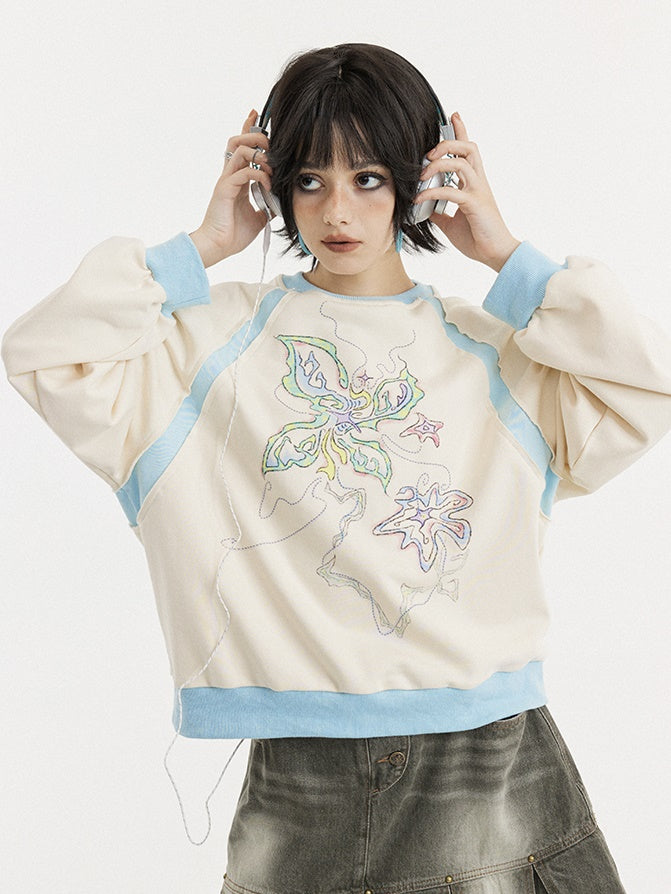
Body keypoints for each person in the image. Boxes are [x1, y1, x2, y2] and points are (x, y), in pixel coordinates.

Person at [3, 42, 671, 894]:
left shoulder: (497, 354)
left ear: (420, 181)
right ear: (273, 185)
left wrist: (508, 256)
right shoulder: (204, 345)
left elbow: (645, 383)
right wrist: (201, 247)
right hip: (300, 774)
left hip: (488, 762)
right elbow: (43, 352)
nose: (336, 210)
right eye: (309, 180)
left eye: (369, 178)